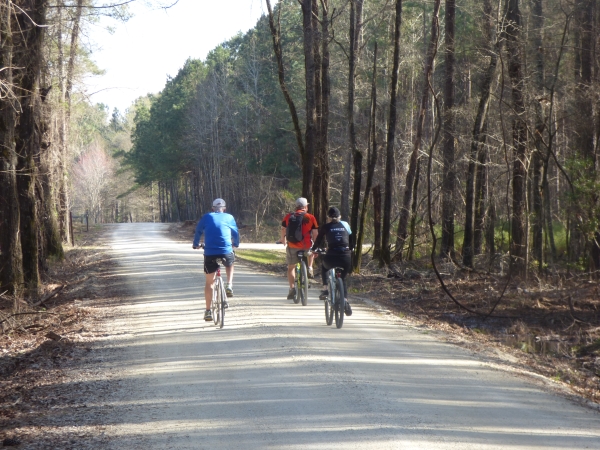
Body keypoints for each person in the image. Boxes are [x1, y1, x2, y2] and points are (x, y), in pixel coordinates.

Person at [193, 198, 240, 322]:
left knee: (209, 282)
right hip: (226, 250)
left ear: (212, 209)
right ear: (224, 209)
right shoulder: (229, 217)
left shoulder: (207, 217)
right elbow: (235, 232)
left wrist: (195, 244)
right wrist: (236, 243)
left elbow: (198, 231)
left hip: (210, 252)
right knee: (230, 263)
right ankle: (229, 284)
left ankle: (208, 311)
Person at [311, 206, 353, 316]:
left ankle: (325, 289)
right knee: (342, 279)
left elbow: (319, 240)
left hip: (331, 255)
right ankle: (345, 301)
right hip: (346, 256)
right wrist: (351, 249)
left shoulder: (326, 226)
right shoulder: (345, 224)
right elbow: (352, 238)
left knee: (324, 267)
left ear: (328, 218)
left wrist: (313, 250)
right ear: (340, 217)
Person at [281, 197, 319, 300]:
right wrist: (316, 246)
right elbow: (315, 233)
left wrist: (283, 240)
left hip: (292, 246)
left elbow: (284, 229)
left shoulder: (288, 216)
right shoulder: (310, 217)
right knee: (311, 250)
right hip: (306, 246)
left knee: (291, 267)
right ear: (306, 207)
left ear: (296, 206)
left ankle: (292, 288)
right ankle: (310, 268)